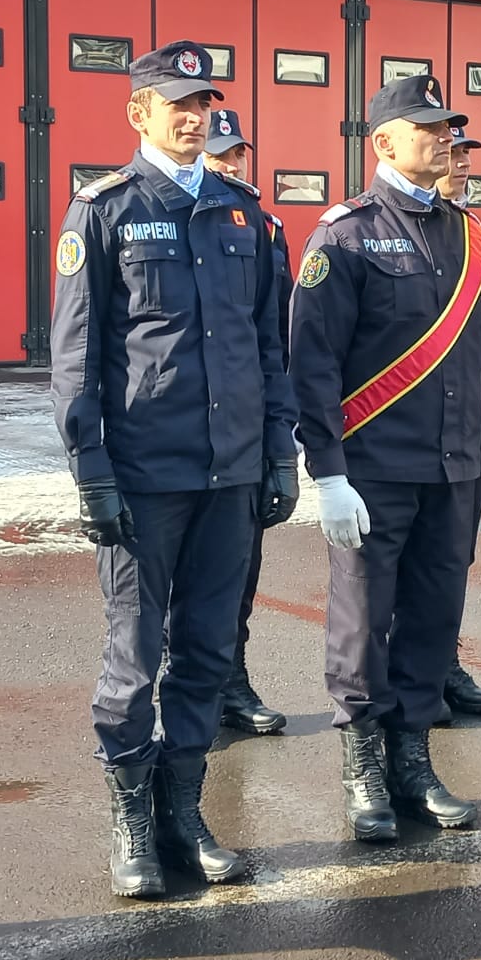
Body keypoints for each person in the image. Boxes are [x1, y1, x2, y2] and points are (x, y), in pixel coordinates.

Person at [51, 43, 298, 899]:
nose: (192, 117)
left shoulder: (245, 216)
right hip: (145, 476)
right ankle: (130, 822)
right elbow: (76, 358)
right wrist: (93, 474)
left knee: (203, 650)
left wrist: (278, 452)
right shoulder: (105, 211)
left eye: (202, 103)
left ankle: (183, 814)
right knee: (132, 655)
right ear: (139, 114)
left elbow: (270, 345)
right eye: (175, 104)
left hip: (230, 477)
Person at [289, 75, 481, 843]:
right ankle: (364, 764)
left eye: (449, 127)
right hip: (374, 468)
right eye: (429, 128)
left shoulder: (474, 236)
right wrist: (325, 471)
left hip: (453, 466)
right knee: (363, 620)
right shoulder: (347, 234)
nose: (445, 138)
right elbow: (313, 362)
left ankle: (413, 758)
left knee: (432, 616)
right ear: (384, 142)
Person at [201, 105, 291, 736]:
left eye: (238, 155)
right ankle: (186, 688)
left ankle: (230, 678)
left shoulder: (262, 224)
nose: (233, 164)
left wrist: (279, 440)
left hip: (246, 423)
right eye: (221, 155)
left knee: (239, 567)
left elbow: (274, 334)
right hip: (175, 431)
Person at [431, 120, 481, 721]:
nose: (462, 164)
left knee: (451, 564)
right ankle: (408, 681)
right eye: (453, 152)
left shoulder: (475, 236)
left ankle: (441, 662)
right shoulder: (358, 231)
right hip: (396, 443)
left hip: (464, 437)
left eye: (465, 155)